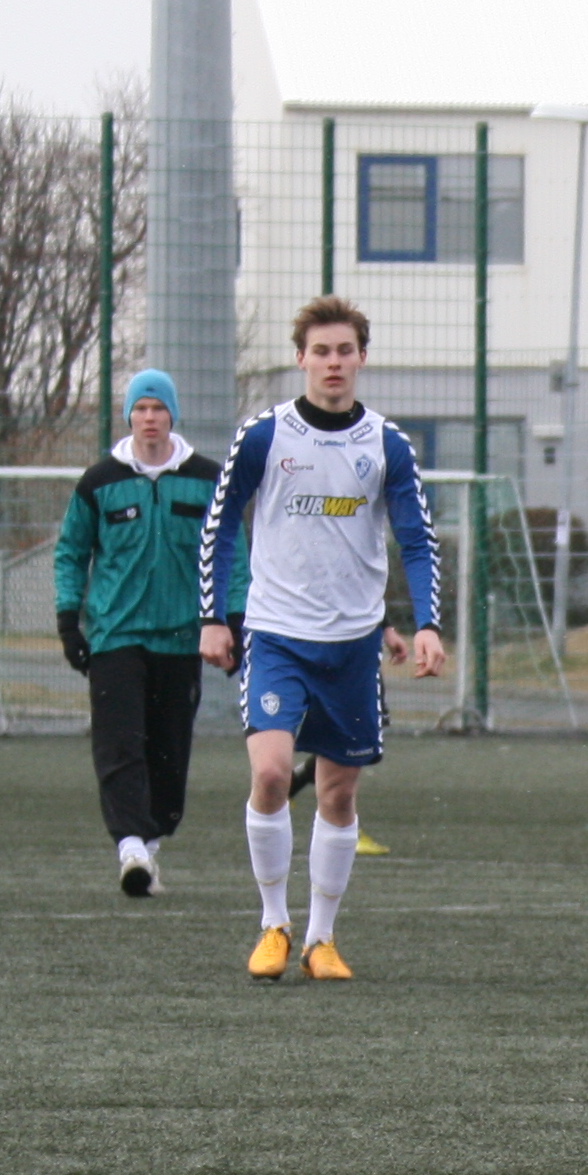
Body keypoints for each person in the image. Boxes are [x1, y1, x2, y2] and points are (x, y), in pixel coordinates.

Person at [196, 297, 444, 982]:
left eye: (344, 351)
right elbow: (219, 525)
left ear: (361, 357)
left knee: (337, 796)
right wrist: (213, 616)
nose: (333, 363)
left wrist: (427, 623)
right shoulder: (263, 436)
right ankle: (273, 924)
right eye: (321, 351)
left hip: (353, 647)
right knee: (272, 773)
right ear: (301, 358)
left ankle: (321, 939)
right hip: (277, 636)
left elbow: (416, 539)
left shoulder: (387, 444)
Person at [53, 368, 223, 897]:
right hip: (115, 637)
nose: (149, 418)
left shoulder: (208, 479)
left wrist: (229, 619)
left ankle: (149, 847)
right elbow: (70, 552)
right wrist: (68, 621)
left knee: (169, 752)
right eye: (141, 409)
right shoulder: (99, 482)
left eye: (158, 408)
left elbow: (230, 554)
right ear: (129, 416)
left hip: (182, 639)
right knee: (120, 745)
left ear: (173, 415)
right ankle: (129, 845)